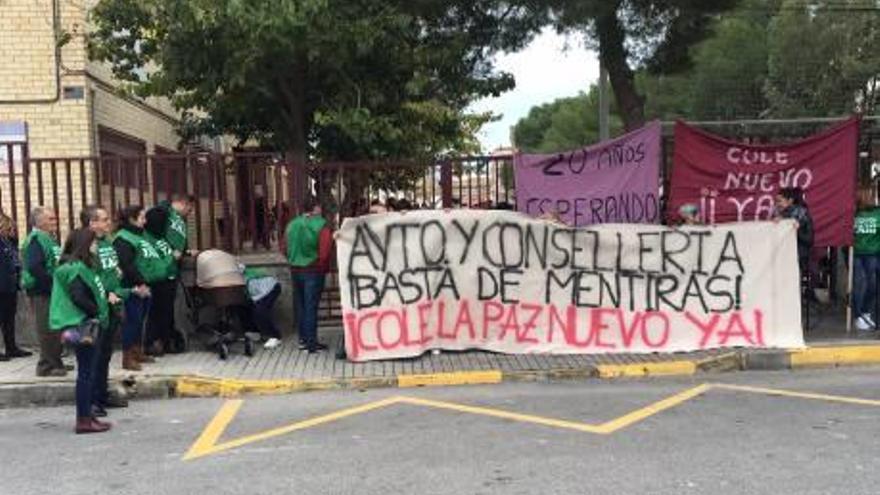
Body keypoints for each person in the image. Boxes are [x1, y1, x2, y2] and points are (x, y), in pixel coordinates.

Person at [49, 227, 113, 434]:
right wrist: (95, 311)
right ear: (85, 245)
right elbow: (78, 296)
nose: (96, 246)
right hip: (82, 322)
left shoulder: (76, 265)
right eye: (93, 243)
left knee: (88, 372)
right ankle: (84, 419)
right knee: (86, 374)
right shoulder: (75, 268)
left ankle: (87, 416)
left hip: (83, 321)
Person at [81, 205, 141, 412]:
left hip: (114, 303)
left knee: (105, 353)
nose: (108, 223)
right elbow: (87, 277)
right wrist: (106, 294)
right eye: (104, 219)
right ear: (92, 223)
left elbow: (110, 268)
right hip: (99, 304)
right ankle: (91, 401)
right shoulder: (87, 245)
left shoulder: (107, 241)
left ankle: (101, 394)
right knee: (95, 356)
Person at [113, 206, 161, 370]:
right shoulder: (122, 239)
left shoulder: (137, 235)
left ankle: (137, 351)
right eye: (141, 217)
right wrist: (140, 283)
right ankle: (127, 357)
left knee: (140, 320)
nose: (145, 221)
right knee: (132, 321)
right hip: (131, 285)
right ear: (132, 219)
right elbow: (127, 265)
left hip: (143, 283)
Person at [144, 194, 192, 354]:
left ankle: (166, 340)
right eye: (189, 208)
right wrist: (170, 254)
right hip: (160, 270)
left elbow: (179, 240)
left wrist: (184, 252)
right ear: (182, 203)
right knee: (158, 309)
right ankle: (154, 342)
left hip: (170, 269)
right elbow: (153, 236)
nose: (190, 212)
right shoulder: (162, 213)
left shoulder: (176, 219)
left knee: (167, 309)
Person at [285, 196, 333, 353]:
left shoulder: (292, 224)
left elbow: (283, 247)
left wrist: (293, 259)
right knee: (311, 307)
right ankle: (311, 344)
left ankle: (303, 340)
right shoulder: (321, 225)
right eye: (319, 207)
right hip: (313, 271)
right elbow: (325, 252)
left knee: (301, 306)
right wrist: (319, 265)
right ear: (316, 208)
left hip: (295, 270)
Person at [22, 206, 66, 376]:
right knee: (47, 329)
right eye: (51, 219)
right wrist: (52, 282)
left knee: (56, 328)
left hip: (53, 290)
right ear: (39, 221)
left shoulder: (48, 238)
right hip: (42, 291)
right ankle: (46, 366)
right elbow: (35, 267)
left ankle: (56, 361)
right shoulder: (35, 239)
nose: (55, 222)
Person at [0, 212, 31, 360]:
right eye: (10, 228)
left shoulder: (9, 242)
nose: (13, 230)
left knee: (9, 318)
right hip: (1, 285)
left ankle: (11, 347)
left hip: (10, 285)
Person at [852, 187, 880, 332]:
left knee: (873, 285)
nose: (871, 198)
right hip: (856, 254)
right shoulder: (853, 214)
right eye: (868, 196)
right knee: (859, 285)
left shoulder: (878, 213)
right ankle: (859, 316)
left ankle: (865, 312)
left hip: (873, 254)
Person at [240, 263, 282, 349]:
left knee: (260, 311)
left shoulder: (237, 270)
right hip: (258, 291)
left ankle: (275, 336)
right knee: (244, 307)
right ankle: (254, 332)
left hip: (270, 287)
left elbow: (241, 268)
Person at [775, 187, 814, 275]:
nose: (777, 204)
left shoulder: (802, 216)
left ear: (790, 201)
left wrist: (797, 230)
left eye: (780, 201)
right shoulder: (779, 215)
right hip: (783, 255)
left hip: (799, 257)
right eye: (776, 201)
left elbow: (809, 239)